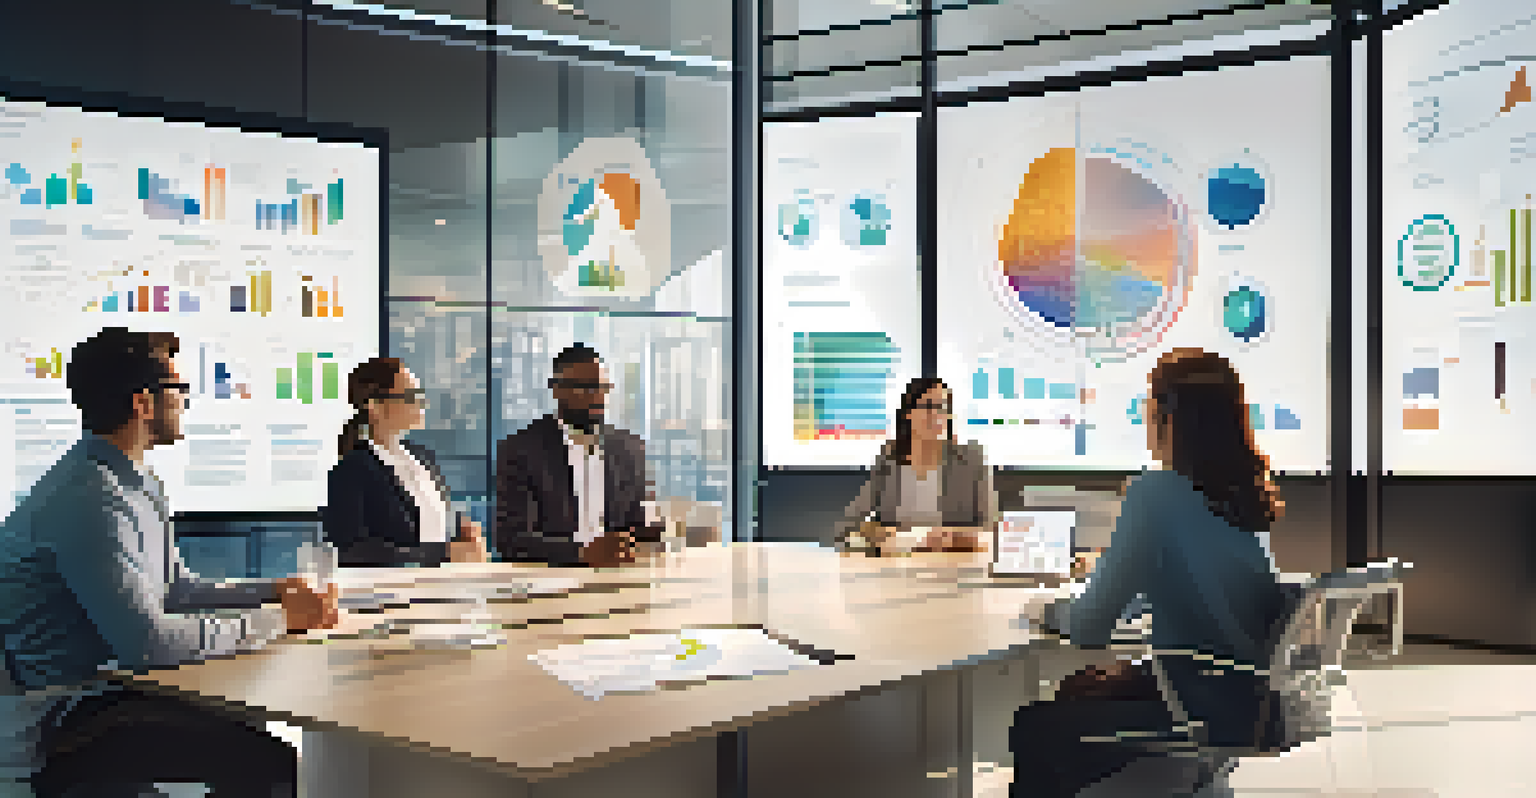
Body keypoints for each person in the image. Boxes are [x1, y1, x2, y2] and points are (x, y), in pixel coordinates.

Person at [0, 327, 340, 798]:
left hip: (118, 689)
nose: (185, 401)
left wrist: (274, 590)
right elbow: (150, 644)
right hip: (66, 717)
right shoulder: (89, 498)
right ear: (143, 403)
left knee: (249, 734)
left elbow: (177, 591)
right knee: (268, 762)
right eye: (179, 390)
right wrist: (279, 619)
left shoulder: (138, 482)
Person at [1010, 348, 1292, 797]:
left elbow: (1087, 628)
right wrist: (1139, 672)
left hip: (1199, 710)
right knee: (1081, 691)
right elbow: (1204, 601)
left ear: (1166, 416)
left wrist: (1045, 609)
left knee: (1035, 727)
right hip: (1244, 703)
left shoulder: (1155, 493)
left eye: (1147, 405)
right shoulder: (1245, 497)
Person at [493, 344, 656, 567]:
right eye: (586, 388)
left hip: (619, 579)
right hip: (548, 584)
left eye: (603, 388)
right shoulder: (521, 450)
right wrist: (582, 554)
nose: (597, 397)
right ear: (556, 389)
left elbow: (641, 526)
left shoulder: (630, 449)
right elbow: (511, 540)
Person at [324, 357, 488, 567]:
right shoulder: (351, 470)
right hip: (391, 594)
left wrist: (466, 537)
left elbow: (440, 532)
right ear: (375, 406)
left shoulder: (425, 459)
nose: (422, 403)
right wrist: (442, 554)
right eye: (410, 396)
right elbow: (352, 551)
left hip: (445, 587)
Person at [833, 377, 997, 554]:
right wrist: (873, 533)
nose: (937, 415)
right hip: (896, 569)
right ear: (908, 413)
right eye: (928, 406)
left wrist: (950, 539)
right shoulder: (890, 460)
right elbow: (845, 528)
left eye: (943, 407)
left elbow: (990, 530)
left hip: (953, 568)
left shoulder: (970, 459)